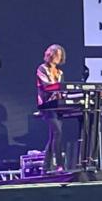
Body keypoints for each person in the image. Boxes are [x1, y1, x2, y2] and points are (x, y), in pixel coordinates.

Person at [36, 44, 66, 172]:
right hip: (47, 106)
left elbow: (63, 88)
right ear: (50, 55)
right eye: (56, 54)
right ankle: (59, 164)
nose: (58, 57)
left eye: (60, 55)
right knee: (57, 132)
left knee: (53, 136)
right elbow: (46, 86)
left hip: (58, 106)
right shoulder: (42, 69)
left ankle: (45, 166)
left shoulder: (60, 73)